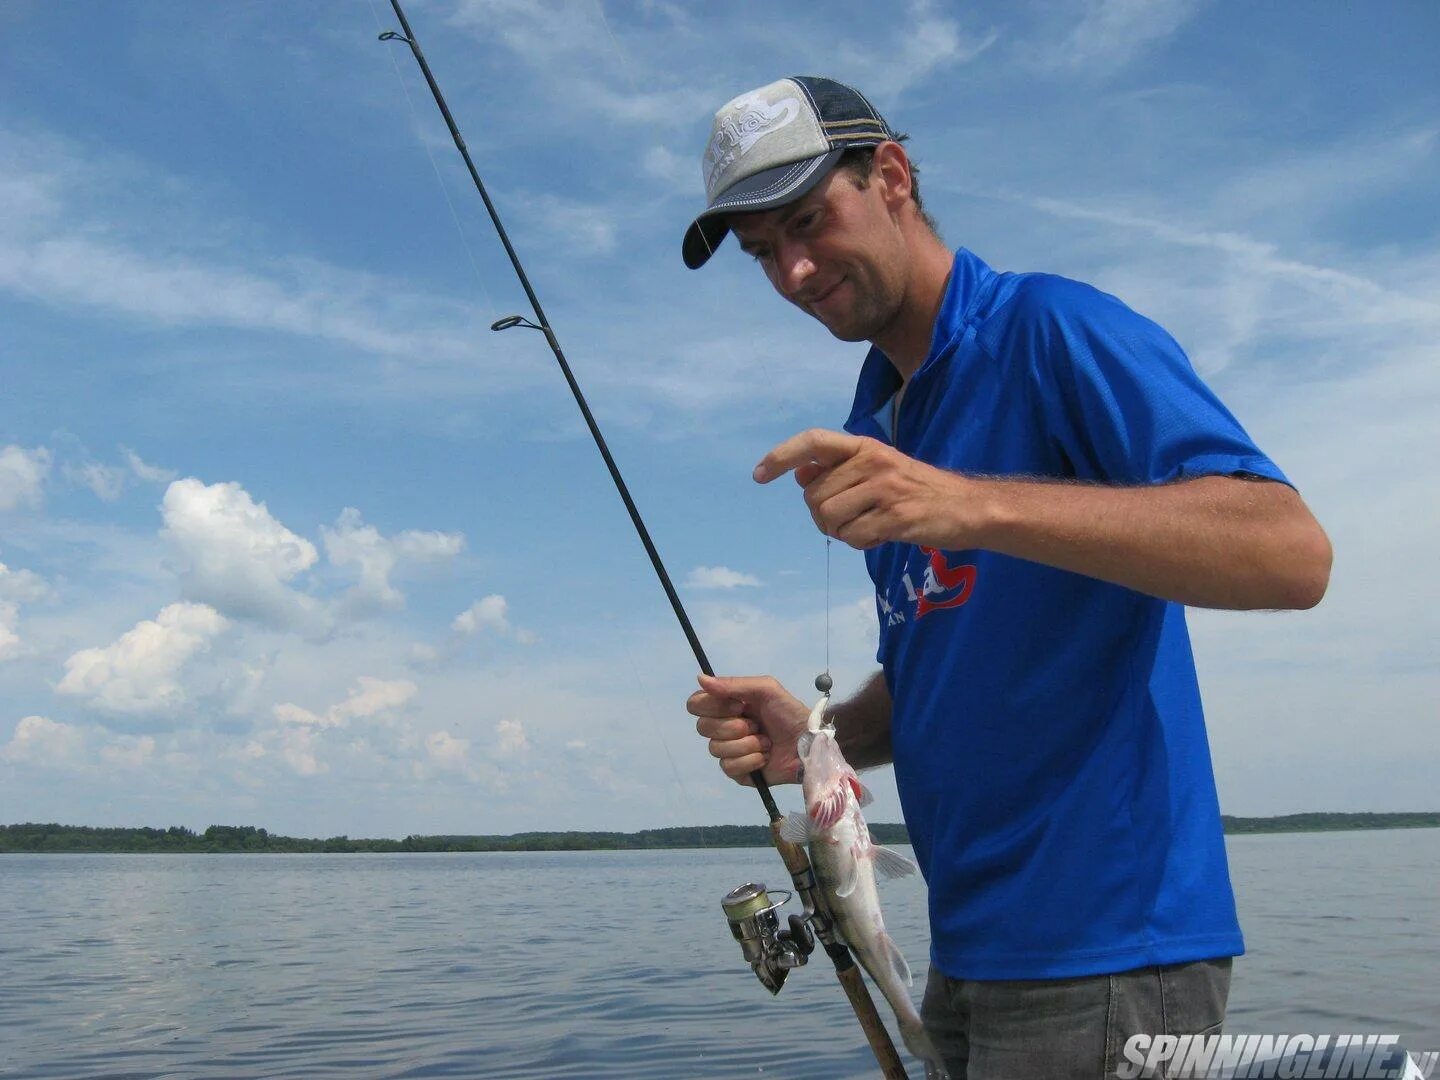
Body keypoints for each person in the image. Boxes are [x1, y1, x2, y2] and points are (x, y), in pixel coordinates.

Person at [682, 76, 1332, 1079]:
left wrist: (965, 503)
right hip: (972, 953)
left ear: (890, 175)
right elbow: (946, 673)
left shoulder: (1053, 330)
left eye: (810, 220)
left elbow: (1288, 552)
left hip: (1112, 947)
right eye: (765, 252)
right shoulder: (877, 430)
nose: (796, 270)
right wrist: (820, 742)